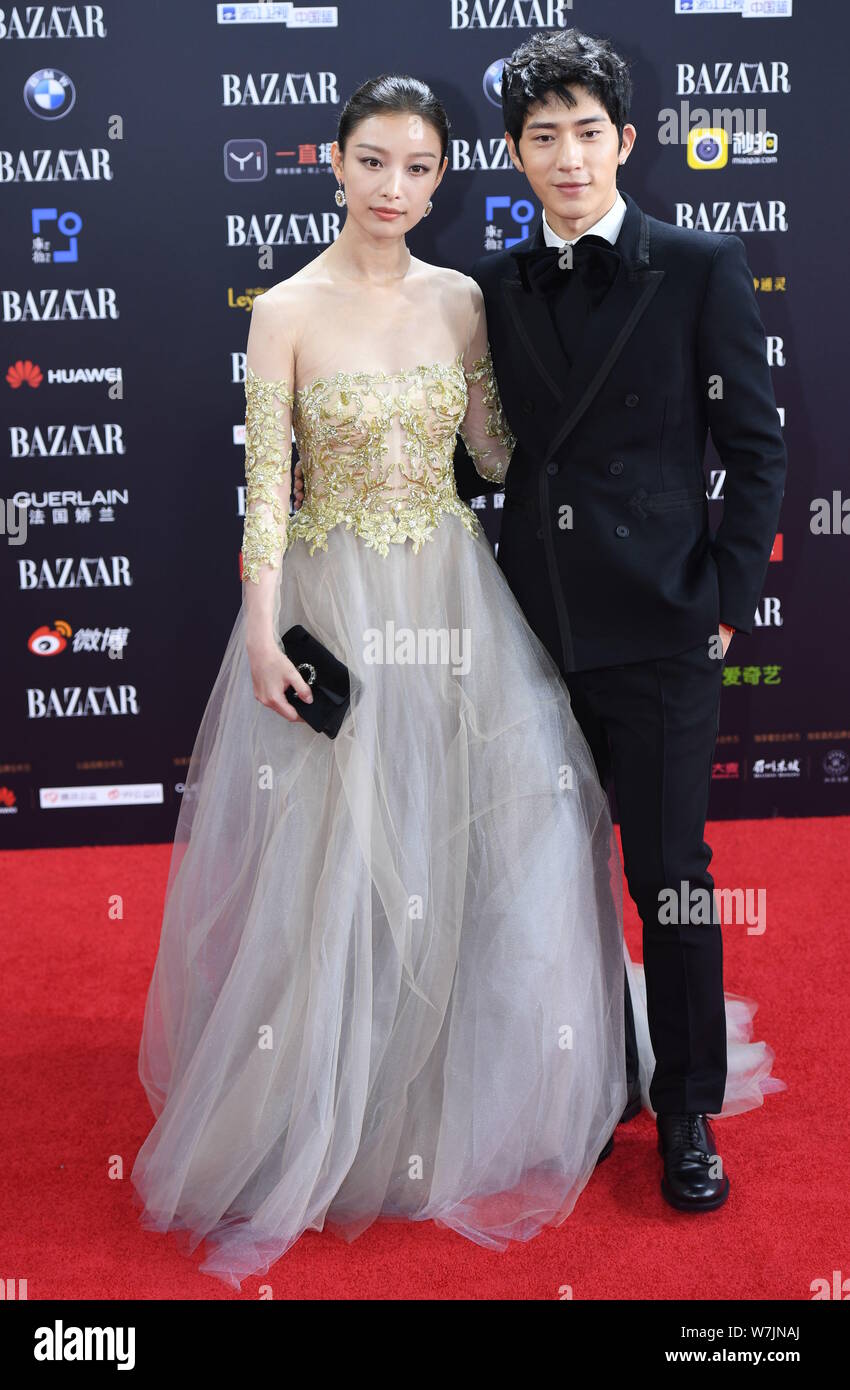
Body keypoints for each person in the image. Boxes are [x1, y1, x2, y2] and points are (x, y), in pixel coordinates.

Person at [131, 74, 779, 1291]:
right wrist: (265, 628)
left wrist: (698, 586)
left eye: (415, 168)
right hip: (377, 605)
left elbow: (518, 448)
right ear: (332, 162)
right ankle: (363, 1085)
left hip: (523, 608)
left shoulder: (516, 291)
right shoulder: (315, 305)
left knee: (592, 860)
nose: (392, 187)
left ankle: (628, 1095)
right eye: (370, 162)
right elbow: (284, 488)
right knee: (370, 861)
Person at [449, 29, 788, 1211]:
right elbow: (474, 458)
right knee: (547, 877)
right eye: (542, 138)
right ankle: (593, 1086)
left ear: (624, 142)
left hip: (657, 629)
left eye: (586, 133)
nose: (566, 157)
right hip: (531, 631)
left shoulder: (693, 267)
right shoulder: (485, 285)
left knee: (669, 877)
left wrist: (723, 602)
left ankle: (685, 1107)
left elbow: (753, 448)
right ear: (513, 154)